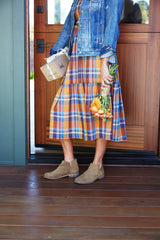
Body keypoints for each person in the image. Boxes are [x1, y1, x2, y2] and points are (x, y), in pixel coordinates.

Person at [43, 0, 127, 184]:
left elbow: (112, 27)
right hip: (76, 59)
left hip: (99, 59)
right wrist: (55, 53)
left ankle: (96, 165)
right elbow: (68, 26)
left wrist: (106, 61)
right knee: (60, 109)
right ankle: (69, 162)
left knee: (101, 112)